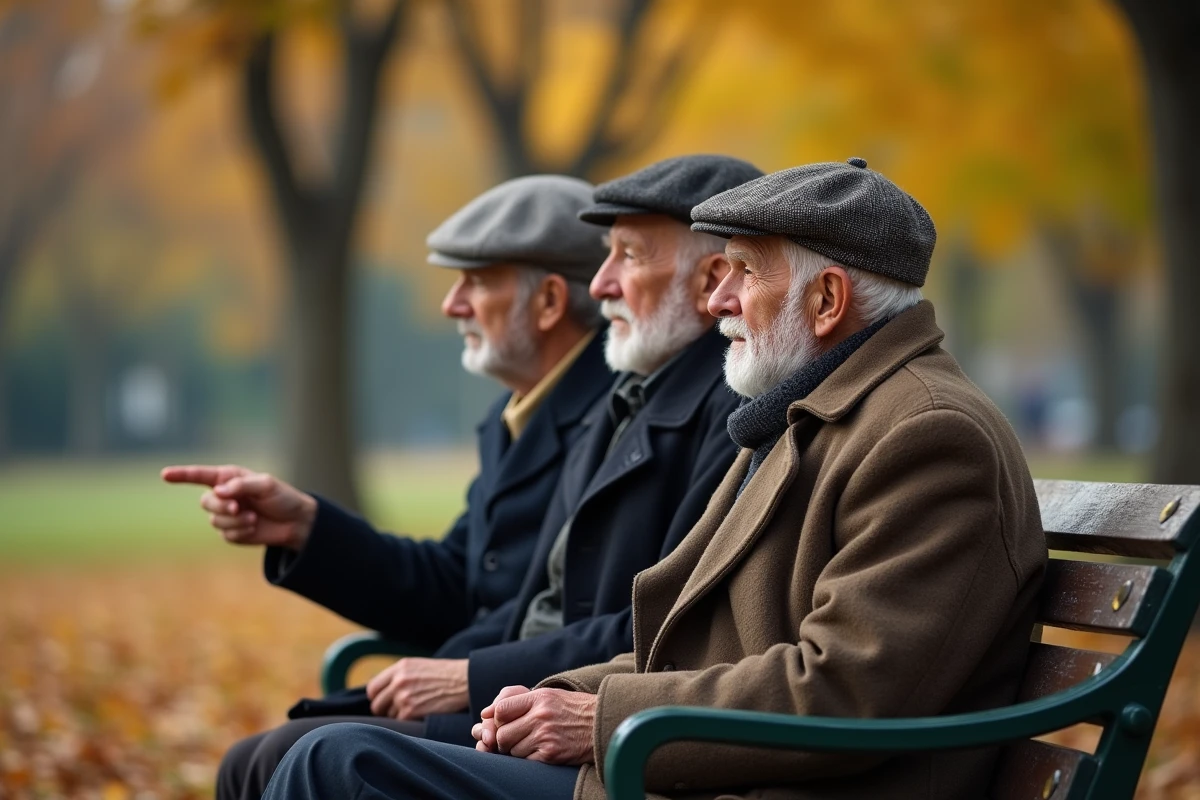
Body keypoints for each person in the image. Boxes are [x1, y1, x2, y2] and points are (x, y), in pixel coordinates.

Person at [263, 158, 1048, 800]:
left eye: (743, 272)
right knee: (326, 755)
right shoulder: (809, 413)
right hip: (692, 771)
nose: (721, 300)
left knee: (340, 766)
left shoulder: (927, 433)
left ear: (828, 298)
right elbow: (684, 636)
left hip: (737, 782)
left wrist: (597, 717)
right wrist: (555, 693)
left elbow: (841, 691)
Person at [162, 174, 614, 800]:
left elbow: (617, 617)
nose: (451, 304)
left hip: (528, 713)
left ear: (550, 302)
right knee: (254, 761)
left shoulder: (618, 416)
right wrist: (307, 528)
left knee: (288, 759)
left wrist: (470, 677)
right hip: (499, 703)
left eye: (476, 281)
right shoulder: (517, 416)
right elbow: (457, 584)